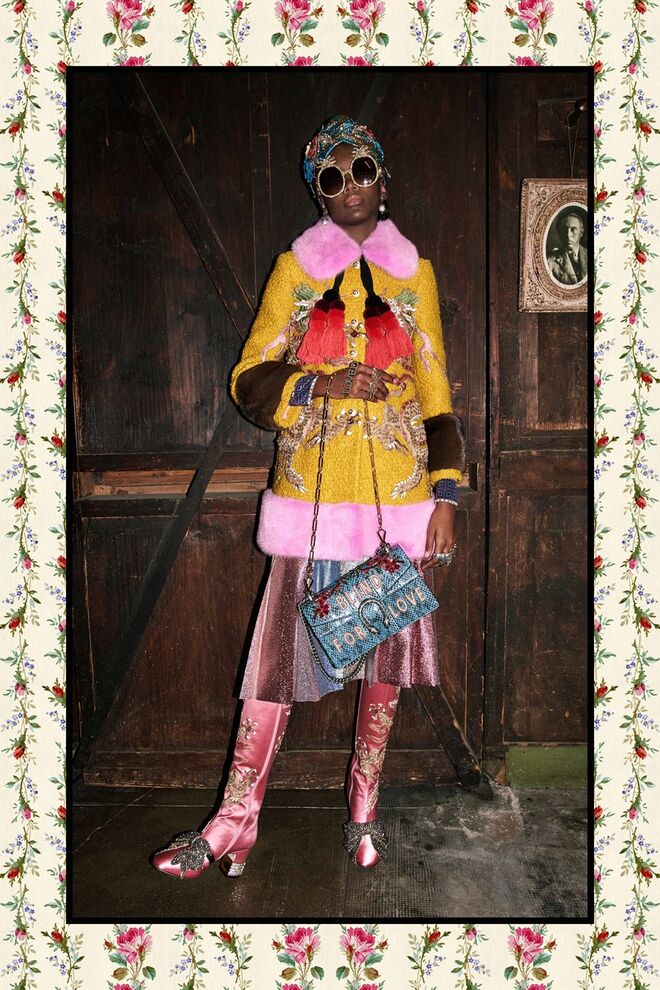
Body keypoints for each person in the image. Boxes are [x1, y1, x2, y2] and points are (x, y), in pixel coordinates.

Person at [151, 115, 466, 881]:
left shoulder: (415, 277)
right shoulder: (294, 273)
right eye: (332, 175)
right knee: (273, 671)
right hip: (312, 504)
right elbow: (247, 379)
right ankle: (234, 821)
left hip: (397, 504)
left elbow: (435, 392)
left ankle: (363, 810)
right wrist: (316, 384)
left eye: (362, 170)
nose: (349, 185)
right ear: (317, 192)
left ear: (383, 180)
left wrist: (447, 496)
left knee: (383, 671)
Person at [547, 210, 587, 285]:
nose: (568, 235)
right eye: (564, 230)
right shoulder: (550, 260)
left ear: (581, 232)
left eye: (573, 229)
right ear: (560, 233)